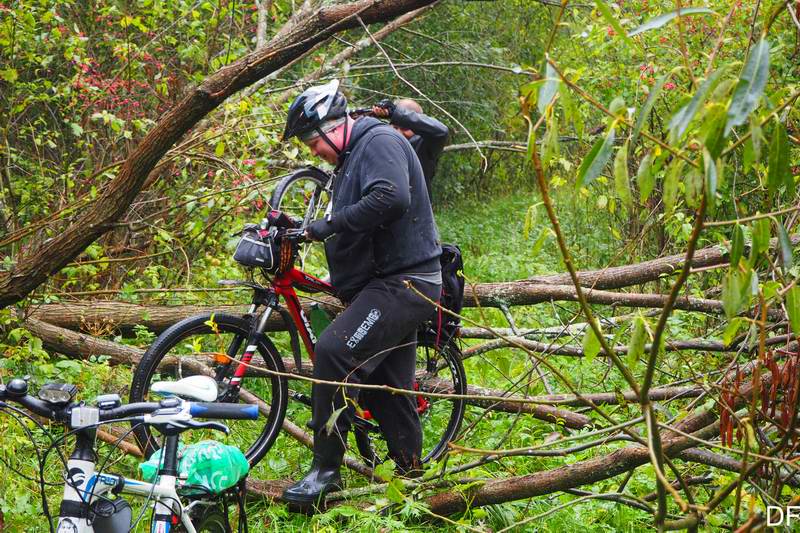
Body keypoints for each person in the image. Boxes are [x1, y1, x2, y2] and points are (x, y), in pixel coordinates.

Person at [280, 79, 443, 508]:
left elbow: (390, 197)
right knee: (388, 387)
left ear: (335, 126)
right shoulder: (353, 157)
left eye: (313, 141)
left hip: (404, 283)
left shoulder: (379, 142)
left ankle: (325, 472)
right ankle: (412, 481)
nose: (313, 151)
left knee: (334, 351)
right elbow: (355, 211)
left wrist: (329, 227)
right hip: (391, 283)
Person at [372, 98, 449, 202]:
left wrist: (395, 113)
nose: (398, 133)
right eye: (394, 127)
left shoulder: (424, 145)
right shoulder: (383, 139)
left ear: (417, 125)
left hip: (414, 212)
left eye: (405, 128)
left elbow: (442, 131)